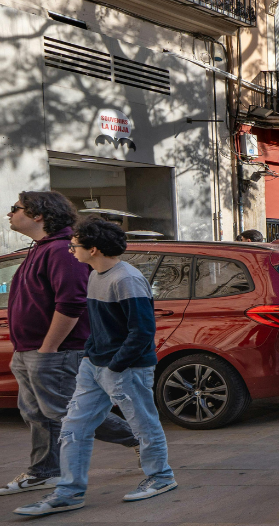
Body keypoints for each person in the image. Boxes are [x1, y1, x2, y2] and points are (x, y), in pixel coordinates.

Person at [13, 219, 175, 517]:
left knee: (143, 424)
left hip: (127, 368)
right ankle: (69, 492)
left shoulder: (126, 279)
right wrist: (90, 358)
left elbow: (141, 331)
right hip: (94, 365)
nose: (71, 250)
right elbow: (99, 327)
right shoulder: (95, 275)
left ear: (94, 249)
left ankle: (161, 476)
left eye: (75, 246)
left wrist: (115, 365)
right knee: (74, 426)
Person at [0, 192, 137, 499]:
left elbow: (72, 302)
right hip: (30, 351)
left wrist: (49, 348)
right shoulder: (42, 249)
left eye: (16, 208)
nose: (10, 214)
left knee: (70, 412)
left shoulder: (63, 250)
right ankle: (44, 472)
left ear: (38, 215)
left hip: (56, 351)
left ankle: (143, 439)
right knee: (37, 415)